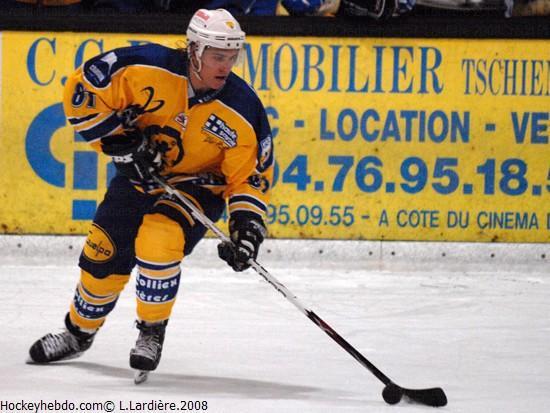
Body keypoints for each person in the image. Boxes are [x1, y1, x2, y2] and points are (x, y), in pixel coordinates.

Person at [28, 8, 274, 375]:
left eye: (231, 57)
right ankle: (78, 332)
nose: (225, 66)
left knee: (159, 239)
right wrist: (121, 144)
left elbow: (249, 177)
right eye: (217, 56)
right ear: (194, 50)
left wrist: (247, 228)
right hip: (142, 176)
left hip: (198, 188)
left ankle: (151, 331)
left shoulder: (243, 108)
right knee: (102, 255)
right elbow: (83, 93)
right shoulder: (145, 66)